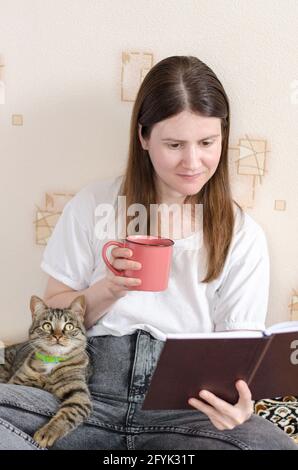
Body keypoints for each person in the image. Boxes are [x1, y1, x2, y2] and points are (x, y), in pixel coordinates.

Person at [0, 55, 296, 450]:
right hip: (77, 393)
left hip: (183, 410)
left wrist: (239, 405)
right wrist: (110, 288)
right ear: (143, 137)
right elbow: (54, 305)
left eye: (207, 143)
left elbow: (237, 352)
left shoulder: (242, 235)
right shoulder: (94, 205)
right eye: (174, 144)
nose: (193, 162)